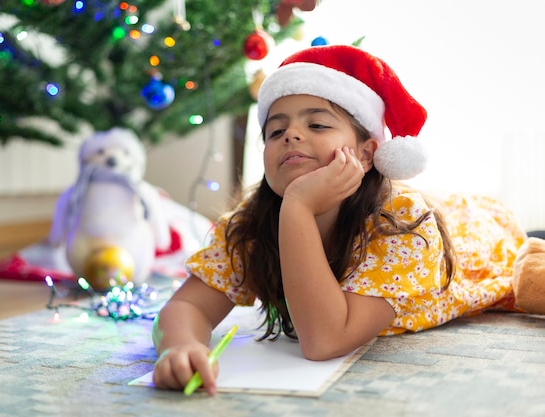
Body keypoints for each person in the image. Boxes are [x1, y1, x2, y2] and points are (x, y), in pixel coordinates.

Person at [151, 44, 544, 396]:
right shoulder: (251, 222)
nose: (291, 136)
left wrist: (299, 208)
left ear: (368, 154)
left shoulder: (403, 222)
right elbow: (188, 307)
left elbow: (323, 340)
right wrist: (181, 345)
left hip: (479, 233)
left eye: (317, 124)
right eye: (275, 130)